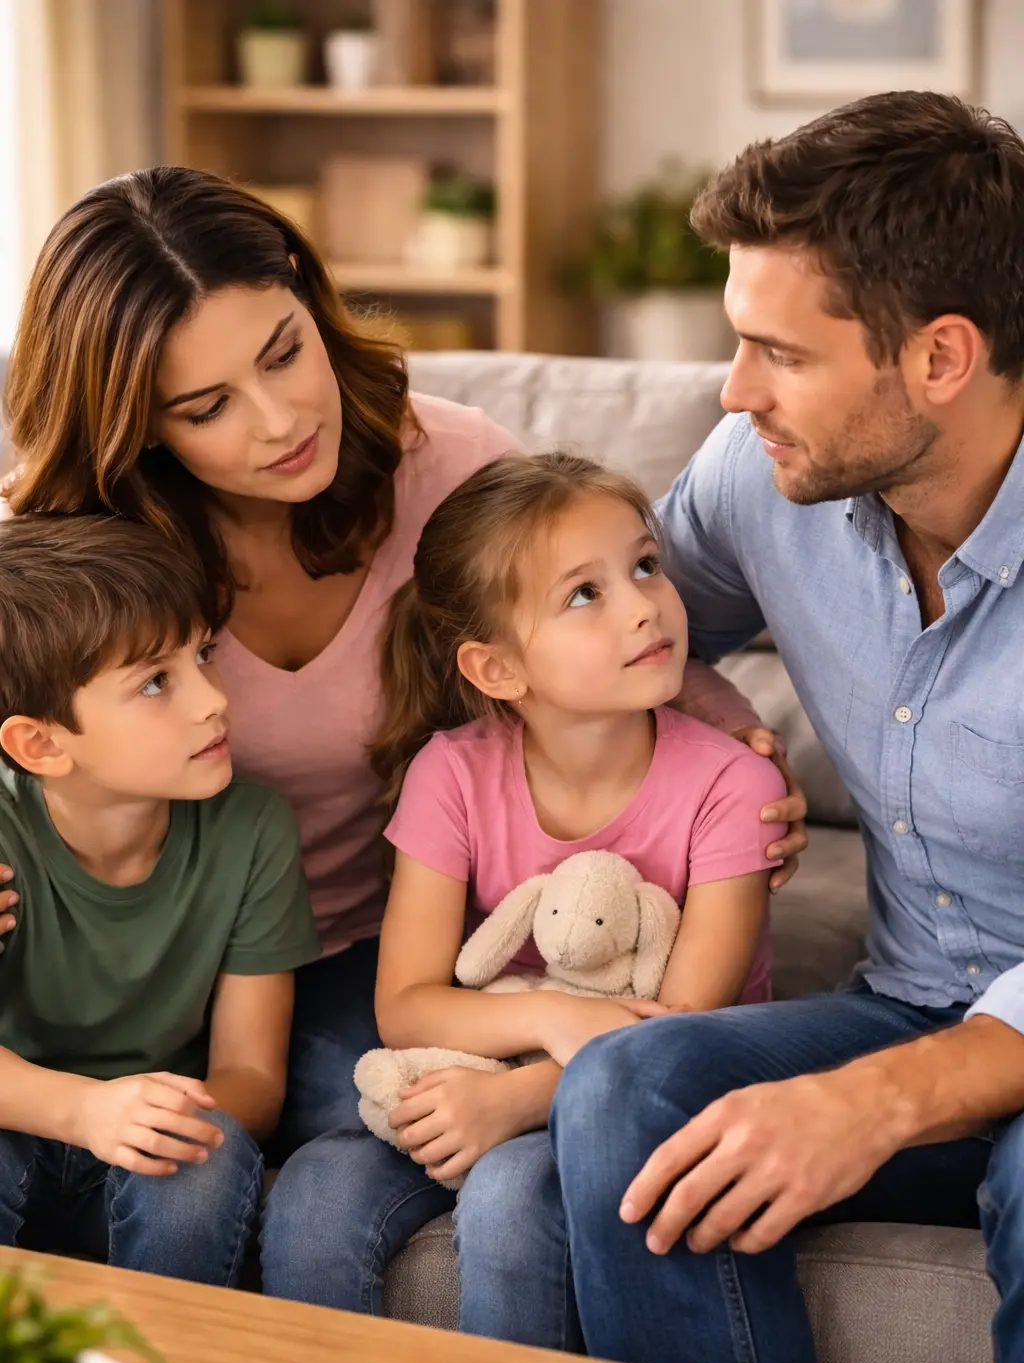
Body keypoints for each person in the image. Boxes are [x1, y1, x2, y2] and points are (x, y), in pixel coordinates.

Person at [0, 167, 805, 1193]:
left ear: (305, 292)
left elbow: (604, 629)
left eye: (284, 353)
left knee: (349, 1167)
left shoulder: (456, 470)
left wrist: (738, 741)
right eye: (207, 408)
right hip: (128, 957)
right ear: (137, 426)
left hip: (374, 949)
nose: (280, 419)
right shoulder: (67, 550)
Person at [547, 91, 1024, 1363]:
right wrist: (695, 704)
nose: (730, 389)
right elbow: (584, 629)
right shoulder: (765, 483)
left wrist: (875, 1103)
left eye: (779, 352)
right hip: (908, 991)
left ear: (941, 357)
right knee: (628, 1093)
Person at [262, 450, 786, 1343]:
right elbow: (406, 1005)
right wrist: (548, 1020)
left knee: (508, 1201)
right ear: (497, 670)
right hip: (492, 1059)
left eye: (645, 566)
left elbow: (680, 1032)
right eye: (585, 594)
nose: (641, 605)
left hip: (652, 1097)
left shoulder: (734, 786)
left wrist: (514, 1100)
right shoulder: (453, 774)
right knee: (313, 1194)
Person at [0, 514, 318, 1283]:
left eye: (204, 654)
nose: (213, 700)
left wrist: (157, 1119)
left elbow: (252, 1079)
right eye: (155, 682)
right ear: (40, 744)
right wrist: (85, 1111)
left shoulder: (251, 827)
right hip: (20, 1123)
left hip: (156, 1140)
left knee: (205, 1156)